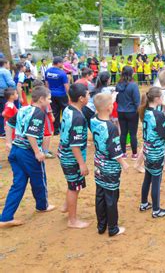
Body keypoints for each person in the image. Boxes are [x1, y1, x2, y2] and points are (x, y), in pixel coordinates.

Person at [0, 86, 56, 228]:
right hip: (28, 153)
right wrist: (38, 152)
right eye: (49, 98)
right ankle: (42, 205)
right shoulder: (39, 113)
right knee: (39, 179)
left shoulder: (23, 108)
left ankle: (6, 217)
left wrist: (9, 142)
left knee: (18, 184)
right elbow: (31, 134)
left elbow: (8, 124)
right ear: (42, 99)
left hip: (16, 151)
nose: (50, 101)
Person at [90, 93, 129, 236]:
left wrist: (108, 99)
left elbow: (97, 109)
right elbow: (115, 150)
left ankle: (101, 225)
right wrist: (124, 163)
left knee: (100, 194)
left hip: (98, 164)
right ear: (109, 108)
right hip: (110, 167)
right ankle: (113, 228)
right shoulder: (111, 127)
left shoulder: (93, 120)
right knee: (111, 197)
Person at [58, 83, 90, 229]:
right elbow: (74, 144)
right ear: (82, 98)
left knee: (72, 183)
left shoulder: (68, 109)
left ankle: (66, 206)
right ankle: (72, 220)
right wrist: (82, 163)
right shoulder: (78, 117)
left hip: (64, 153)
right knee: (74, 187)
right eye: (88, 94)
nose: (90, 96)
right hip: (71, 157)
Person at [136, 87, 165, 218]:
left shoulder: (145, 111)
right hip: (156, 152)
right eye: (161, 96)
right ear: (157, 99)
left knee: (148, 177)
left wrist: (163, 111)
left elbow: (156, 123)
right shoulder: (158, 115)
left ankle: (144, 203)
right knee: (156, 180)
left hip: (147, 150)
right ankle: (156, 210)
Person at [116, 66, 140, 159]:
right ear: (131, 73)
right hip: (132, 112)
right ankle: (134, 154)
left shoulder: (118, 85)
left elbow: (117, 99)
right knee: (133, 134)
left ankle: (123, 153)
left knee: (123, 133)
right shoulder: (133, 85)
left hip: (121, 111)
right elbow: (137, 101)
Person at [45, 56, 70, 135]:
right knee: (65, 111)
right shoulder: (62, 73)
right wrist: (69, 96)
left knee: (55, 112)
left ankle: (56, 130)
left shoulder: (47, 71)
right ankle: (65, 129)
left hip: (51, 94)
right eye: (62, 63)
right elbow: (66, 86)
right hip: (61, 94)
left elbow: (46, 84)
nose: (63, 64)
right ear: (58, 63)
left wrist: (48, 93)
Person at [32, 80, 55, 159]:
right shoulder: (44, 100)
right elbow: (48, 109)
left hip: (39, 120)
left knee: (41, 135)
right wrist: (52, 116)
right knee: (47, 135)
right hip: (46, 120)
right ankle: (45, 151)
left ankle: (43, 150)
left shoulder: (34, 99)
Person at [0, 59, 17, 138]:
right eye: (8, 63)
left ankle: (1, 131)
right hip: (4, 93)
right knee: (5, 112)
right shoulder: (5, 71)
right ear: (5, 63)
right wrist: (14, 89)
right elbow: (10, 82)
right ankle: (4, 131)